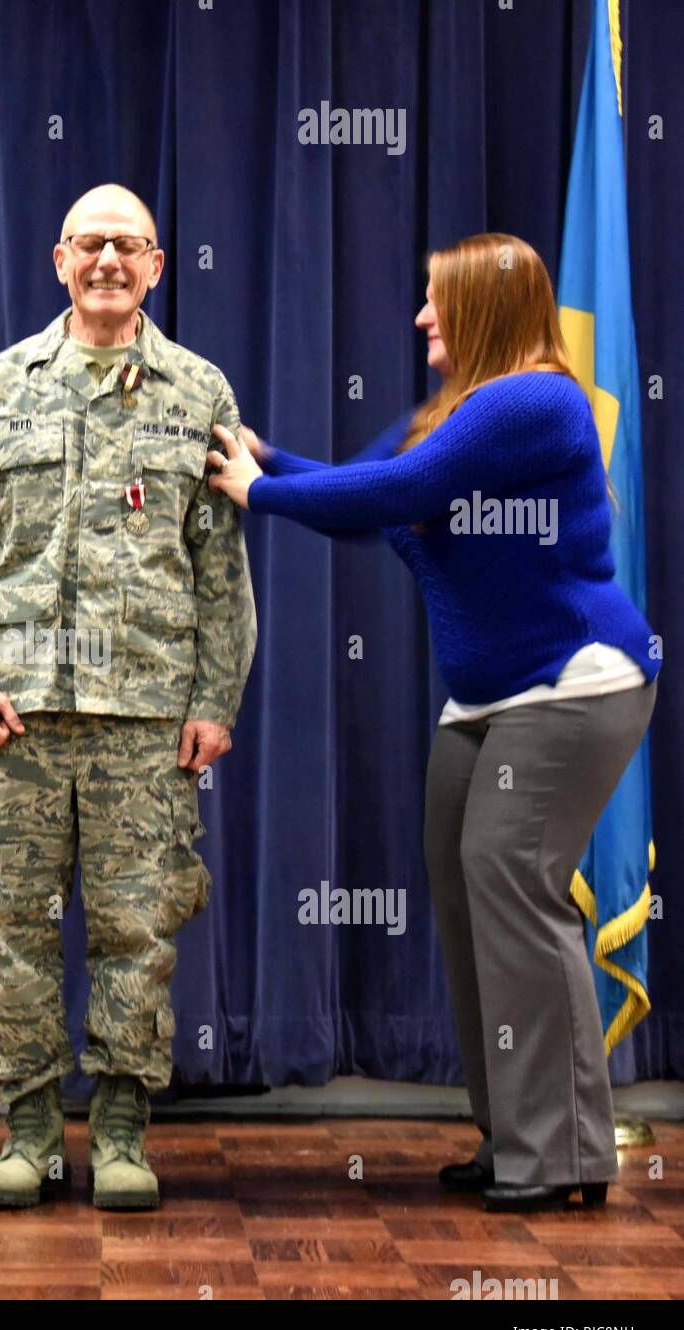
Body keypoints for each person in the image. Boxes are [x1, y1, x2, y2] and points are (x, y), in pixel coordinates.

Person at [207, 232, 660, 1214]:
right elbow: (357, 500)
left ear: (485, 311)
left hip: (573, 683)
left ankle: (560, 1154)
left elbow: (400, 494)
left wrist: (260, 492)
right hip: (487, 695)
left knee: (512, 887)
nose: (418, 316)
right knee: (466, 894)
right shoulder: (445, 411)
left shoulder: (533, 400)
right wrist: (267, 459)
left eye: (435, 300)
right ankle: (516, 1137)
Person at [0, 184, 257, 1210]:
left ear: (157, 265)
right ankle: (27, 1131)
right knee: (11, 926)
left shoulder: (199, 393)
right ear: (56, 258)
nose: (108, 260)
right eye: (90, 244)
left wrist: (215, 698)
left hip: (148, 722)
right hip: (16, 719)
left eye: (129, 245)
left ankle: (118, 1130)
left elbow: (218, 569)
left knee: (137, 930)